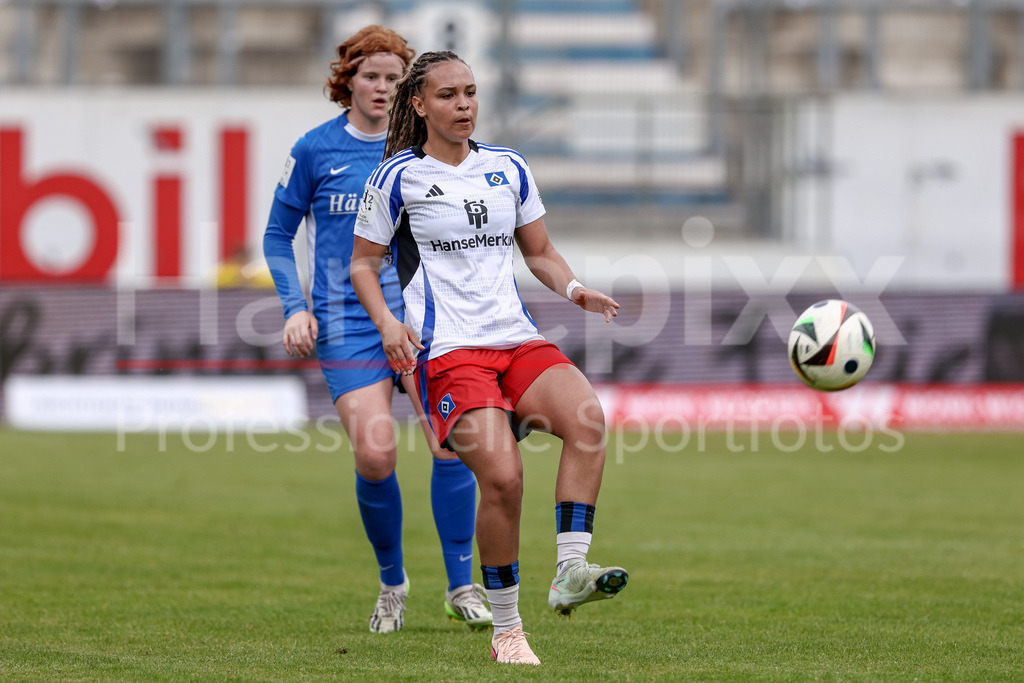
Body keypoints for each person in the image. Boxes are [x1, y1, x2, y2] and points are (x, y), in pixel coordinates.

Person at [350, 50, 628, 665]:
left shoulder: (509, 167)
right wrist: (388, 323)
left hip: (515, 338)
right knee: (502, 479)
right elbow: (362, 263)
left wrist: (576, 289)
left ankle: (570, 572)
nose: (465, 105)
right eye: (449, 95)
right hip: (449, 353)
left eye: (471, 93)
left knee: (587, 420)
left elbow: (542, 251)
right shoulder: (398, 177)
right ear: (419, 104)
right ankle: (507, 629)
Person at [262, 28, 491, 634]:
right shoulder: (314, 149)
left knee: (452, 444)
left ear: (411, 89)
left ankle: (462, 584)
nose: (383, 88)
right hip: (346, 324)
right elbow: (276, 235)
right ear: (349, 81)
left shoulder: (426, 149)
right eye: (371, 76)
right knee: (375, 451)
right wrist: (294, 306)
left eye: (395, 78)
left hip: (423, 322)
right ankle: (393, 583)